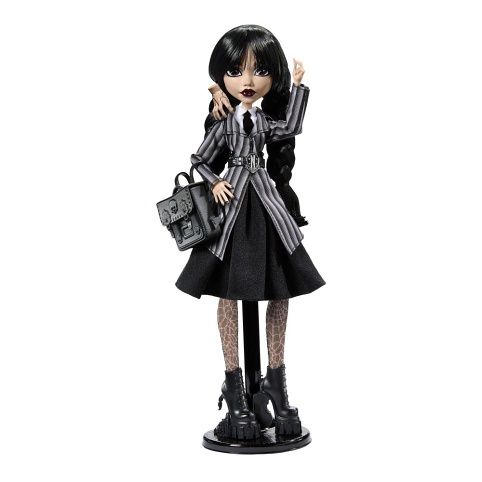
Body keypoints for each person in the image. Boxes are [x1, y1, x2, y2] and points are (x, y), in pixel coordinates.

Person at [175, 25, 326, 440]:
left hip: (267, 204)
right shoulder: (224, 122)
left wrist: (299, 86)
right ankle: (235, 387)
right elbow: (199, 158)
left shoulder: (263, 121)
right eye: (236, 72)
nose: (247, 81)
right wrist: (214, 182)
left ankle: (275, 382)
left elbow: (290, 126)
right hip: (232, 212)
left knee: (280, 288)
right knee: (228, 293)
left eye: (258, 71)